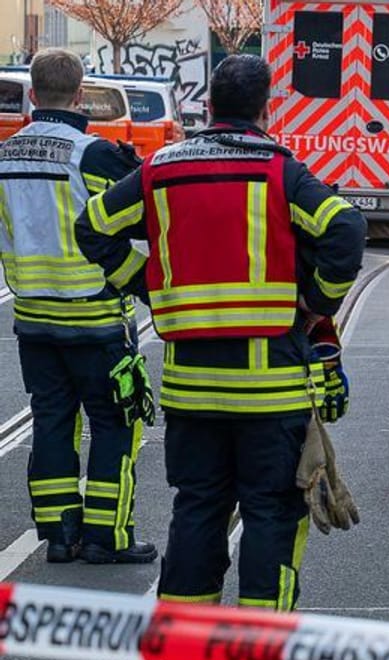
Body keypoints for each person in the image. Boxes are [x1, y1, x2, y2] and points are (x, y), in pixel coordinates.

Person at [75, 55, 366, 615]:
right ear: (265, 109)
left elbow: (93, 226)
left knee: (199, 510)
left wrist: (148, 286)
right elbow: (344, 228)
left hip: (191, 390)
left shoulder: (162, 168)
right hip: (270, 390)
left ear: (208, 105)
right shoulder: (278, 170)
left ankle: (185, 651)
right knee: (273, 513)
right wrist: (315, 304)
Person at [0, 48, 155, 564]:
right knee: (114, 424)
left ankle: (60, 535)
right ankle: (106, 537)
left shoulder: (4, 156)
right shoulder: (92, 154)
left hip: (34, 319)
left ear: (34, 94)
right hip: (94, 318)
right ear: (81, 92)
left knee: (51, 423)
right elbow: (139, 220)